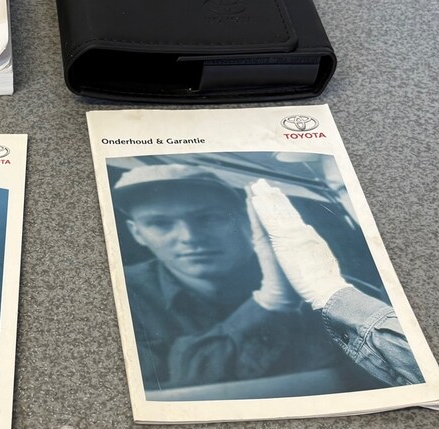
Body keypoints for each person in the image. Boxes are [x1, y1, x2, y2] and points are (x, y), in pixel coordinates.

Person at [113, 166, 420, 392]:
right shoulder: (119, 294)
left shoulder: (322, 282)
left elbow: (394, 370)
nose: (189, 237)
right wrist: (269, 304)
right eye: (160, 224)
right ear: (137, 233)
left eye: (208, 218)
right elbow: (166, 385)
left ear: (246, 220)